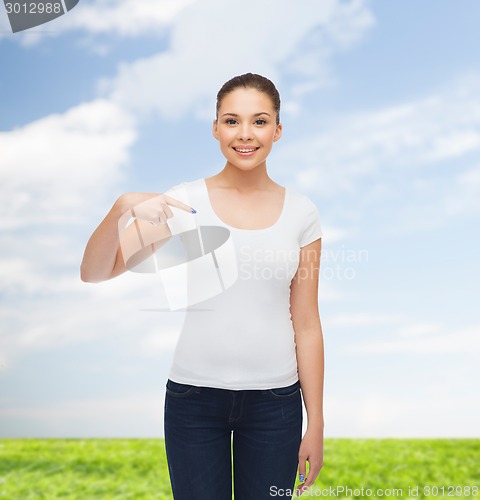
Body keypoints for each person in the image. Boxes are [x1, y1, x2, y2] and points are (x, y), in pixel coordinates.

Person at [80, 73, 324, 499]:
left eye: (260, 121)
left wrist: (315, 421)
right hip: (194, 401)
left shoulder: (302, 214)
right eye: (232, 121)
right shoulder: (183, 203)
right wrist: (121, 207)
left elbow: (306, 323)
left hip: (276, 406)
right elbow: (96, 271)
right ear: (215, 128)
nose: (245, 134)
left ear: (278, 130)